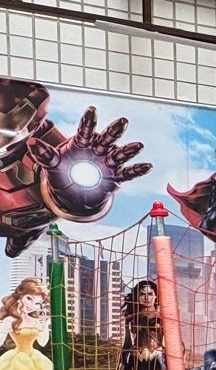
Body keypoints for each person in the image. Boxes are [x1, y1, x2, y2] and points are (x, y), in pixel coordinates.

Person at [0, 78, 151, 258]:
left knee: (17, 241)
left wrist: (76, 195)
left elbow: (70, 175)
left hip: (20, 216)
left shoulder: (47, 150)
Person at [0, 278, 53, 370]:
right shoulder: (10, 320)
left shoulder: (36, 321)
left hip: (36, 359)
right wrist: (2, 328)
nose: (31, 305)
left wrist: (45, 326)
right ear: (20, 295)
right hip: (16, 361)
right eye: (29, 298)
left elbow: (42, 343)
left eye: (37, 303)